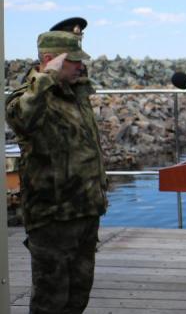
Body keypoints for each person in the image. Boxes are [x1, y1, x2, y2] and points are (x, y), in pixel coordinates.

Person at [6, 17, 108, 314]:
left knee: (78, 296)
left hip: (86, 211)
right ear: (49, 61)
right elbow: (23, 119)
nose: (81, 66)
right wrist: (45, 80)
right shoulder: (28, 97)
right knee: (50, 300)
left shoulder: (76, 93)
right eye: (73, 60)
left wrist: (99, 194)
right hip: (53, 217)